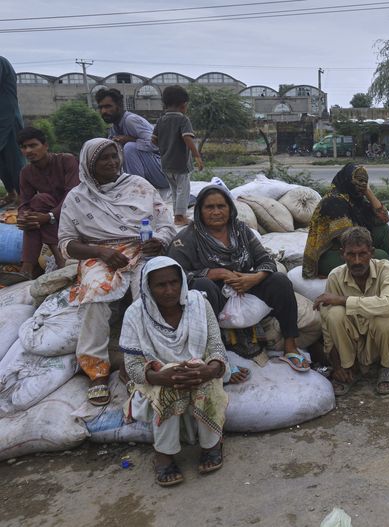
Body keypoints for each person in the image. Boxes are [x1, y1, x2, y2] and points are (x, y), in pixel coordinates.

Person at [59, 138, 175, 405]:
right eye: (104, 158)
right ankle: (96, 370)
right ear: (89, 164)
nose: (112, 162)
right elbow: (67, 244)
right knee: (96, 293)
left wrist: (160, 240)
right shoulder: (77, 197)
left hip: (142, 249)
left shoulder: (139, 186)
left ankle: (145, 361)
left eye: (115, 156)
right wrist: (101, 253)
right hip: (99, 254)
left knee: (150, 290)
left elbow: (165, 221)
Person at [167, 186, 309, 371]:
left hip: (244, 284)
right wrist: (213, 273)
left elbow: (265, 260)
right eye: (209, 207)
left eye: (221, 206)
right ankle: (217, 356)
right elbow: (173, 274)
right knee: (203, 287)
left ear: (230, 208)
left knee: (280, 281)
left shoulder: (240, 230)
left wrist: (254, 278)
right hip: (214, 292)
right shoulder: (186, 238)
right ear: (199, 211)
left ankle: (290, 347)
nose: (216, 212)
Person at [121, 257, 228, 486]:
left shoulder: (199, 303)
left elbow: (216, 347)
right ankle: (164, 455)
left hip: (200, 372)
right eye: (161, 285)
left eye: (174, 282)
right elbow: (133, 366)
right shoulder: (135, 313)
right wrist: (160, 376)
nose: (169, 290)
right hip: (157, 378)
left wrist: (210, 370)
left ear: (182, 282)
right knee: (169, 383)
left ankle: (212, 444)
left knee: (201, 375)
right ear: (148, 287)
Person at [314, 227, 389, 396]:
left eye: (362, 254)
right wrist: (336, 365)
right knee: (333, 314)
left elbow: (388, 305)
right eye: (351, 254)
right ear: (342, 254)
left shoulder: (387, 269)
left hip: (383, 340)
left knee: (383, 319)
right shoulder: (335, 276)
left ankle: (386, 367)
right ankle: (348, 367)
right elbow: (328, 327)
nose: (357, 261)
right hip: (354, 344)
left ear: (371, 253)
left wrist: (343, 300)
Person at [302, 163, 389, 279]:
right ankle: (379, 278)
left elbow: (384, 218)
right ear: (347, 180)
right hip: (331, 253)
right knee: (381, 256)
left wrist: (368, 192)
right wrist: (369, 251)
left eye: (364, 182)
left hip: (353, 247)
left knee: (383, 230)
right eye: (358, 182)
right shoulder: (333, 201)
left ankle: (386, 278)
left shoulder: (356, 200)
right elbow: (349, 240)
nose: (361, 185)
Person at [15, 127, 78, 278]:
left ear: (45, 145)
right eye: (24, 147)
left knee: (40, 201)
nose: (28, 150)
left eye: (33, 145)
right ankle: (29, 268)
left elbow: (73, 195)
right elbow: (24, 203)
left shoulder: (66, 160)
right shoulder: (26, 172)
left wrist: (49, 216)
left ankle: (30, 266)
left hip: (76, 209)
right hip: (48, 213)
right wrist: (23, 217)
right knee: (36, 206)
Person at [95, 87, 170, 194]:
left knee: (130, 147)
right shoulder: (114, 127)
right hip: (153, 176)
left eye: (108, 106)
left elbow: (157, 144)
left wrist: (130, 139)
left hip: (165, 171)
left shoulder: (130, 120)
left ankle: (138, 192)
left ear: (119, 106)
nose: (104, 111)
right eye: (101, 107)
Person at [151, 85, 204, 226]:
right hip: (180, 163)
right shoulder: (183, 119)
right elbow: (187, 138)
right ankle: (180, 217)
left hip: (166, 163)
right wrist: (197, 156)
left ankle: (177, 215)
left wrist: (165, 148)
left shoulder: (160, 120)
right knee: (183, 190)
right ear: (183, 104)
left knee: (174, 190)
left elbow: (153, 140)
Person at [0, 56, 24, 207]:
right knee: (1, 162)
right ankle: (11, 192)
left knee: (14, 159)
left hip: (8, 118)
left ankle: (24, 195)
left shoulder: (1, 62)